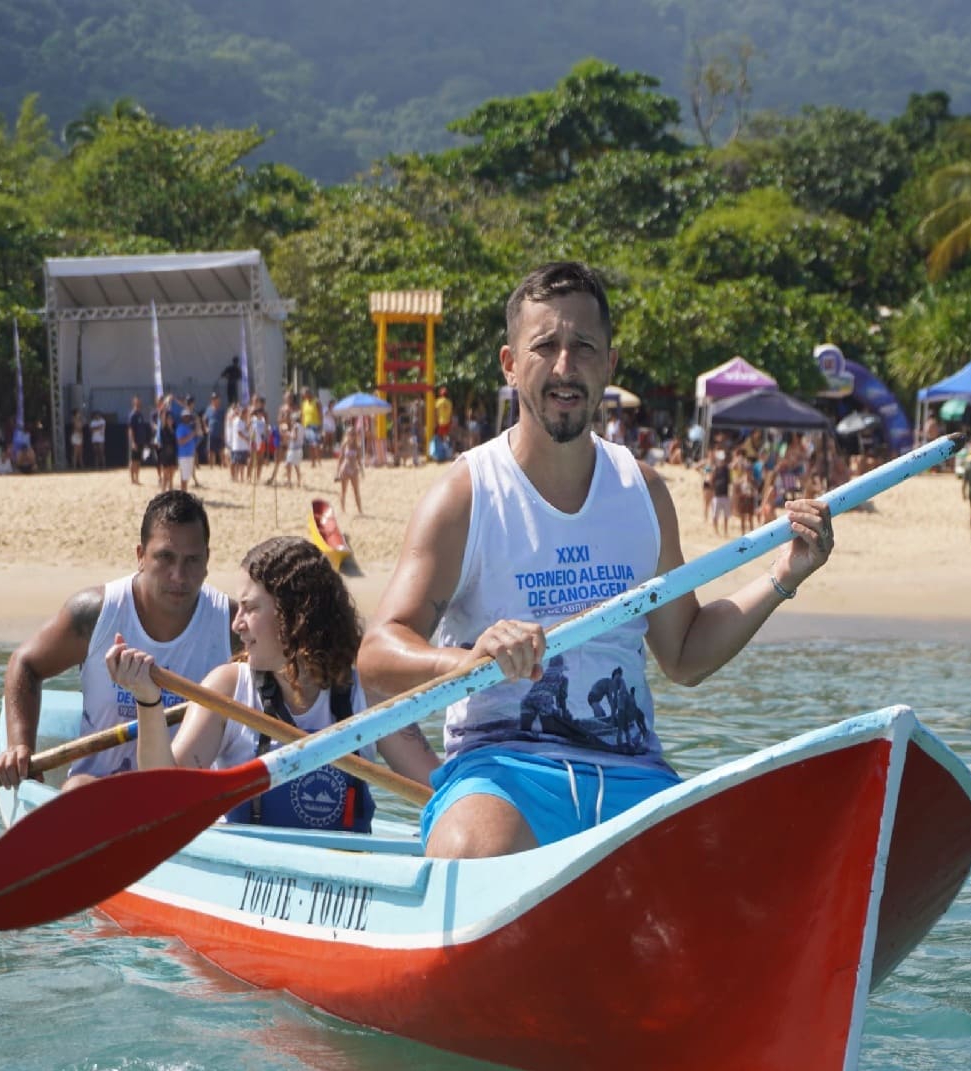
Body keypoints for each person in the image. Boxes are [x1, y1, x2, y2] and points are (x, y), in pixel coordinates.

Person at [358, 261, 834, 860]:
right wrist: (465, 660)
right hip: (503, 774)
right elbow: (377, 654)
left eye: (583, 347)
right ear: (510, 364)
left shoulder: (643, 492)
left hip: (633, 774)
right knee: (471, 850)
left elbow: (684, 655)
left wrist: (783, 576)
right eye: (545, 346)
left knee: (729, 860)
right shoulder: (465, 496)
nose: (565, 366)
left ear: (609, 364)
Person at [105, 537, 438, 830]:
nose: (236, 624)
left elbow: (438, 788)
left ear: (294, 614)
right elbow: (166, 799)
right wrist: (147, 700)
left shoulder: (366, 693)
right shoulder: (227, 691)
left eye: (249, 608)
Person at [0, 491, 237, 790]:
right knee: (77, 787)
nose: (179, 576)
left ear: (207, 560)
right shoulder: (96, 614)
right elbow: (25, 663)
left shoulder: (234, 626)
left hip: (184, 796)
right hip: (96, 790)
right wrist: (20, 745)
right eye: (165, 557)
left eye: (192, 560)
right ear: (140, 556)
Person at [336, 421, 364, 514]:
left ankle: (360, 510)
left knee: (356, 491)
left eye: (353, 434)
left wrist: (362, 471)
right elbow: (340, 459)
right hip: (345, 468)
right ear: (347, 435)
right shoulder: (344, 445)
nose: (351, 436)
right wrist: (337, 472)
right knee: (343, 491)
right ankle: (343, 510)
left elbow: (359, 460)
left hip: (354, 469)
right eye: (350, 434)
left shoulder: (357, 446)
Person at [128, 395, 150, 486]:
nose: (138, 404)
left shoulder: (140, 414)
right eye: (137, 402)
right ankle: (132, 479)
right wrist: (133, 442)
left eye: (139, 402)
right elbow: (131, 429)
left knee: (138, 461)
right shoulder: (133, 415)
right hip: (135, 441)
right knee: (133, 460)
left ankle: (137, 478)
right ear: (134, 403)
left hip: (141, 441)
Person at [300, 388, 322, 467]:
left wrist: (321, 425)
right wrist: (302, 426)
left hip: (315, 425)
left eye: (305, 394)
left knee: (316, 444)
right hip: (307, 426)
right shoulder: (304, 403)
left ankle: (319, 460)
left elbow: (320, 414)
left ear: (309, 393)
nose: (304, 395)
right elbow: (302, 415)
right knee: (310, 445)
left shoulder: (316, 402)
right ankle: (313, 462)